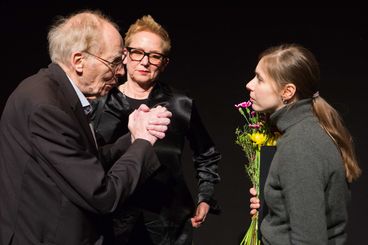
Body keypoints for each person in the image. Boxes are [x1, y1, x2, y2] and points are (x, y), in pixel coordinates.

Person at [0, 10, 172, 245]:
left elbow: (85, 159)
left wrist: (132, 138)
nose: (120, 72)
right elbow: (103, 195)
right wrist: (143, 142)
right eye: (113, 62)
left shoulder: (56, 93)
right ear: (79, 61)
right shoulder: (46, 106)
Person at [91, 15, 221, 244]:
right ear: (125, 55)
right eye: (137, 52)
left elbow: (206, 153)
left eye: (154, 56)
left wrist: (205, 196)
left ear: (164, 63)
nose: (145, 62)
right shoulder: (100, 103)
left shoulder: (181, 104)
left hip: (168, 226)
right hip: (111, 223)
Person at [245, 43, 361, 244]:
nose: (250, 84)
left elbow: (310, 240)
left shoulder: (300, 145)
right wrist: (272, 205)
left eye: (260, 79)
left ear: (287, 91)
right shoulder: (307, 130)